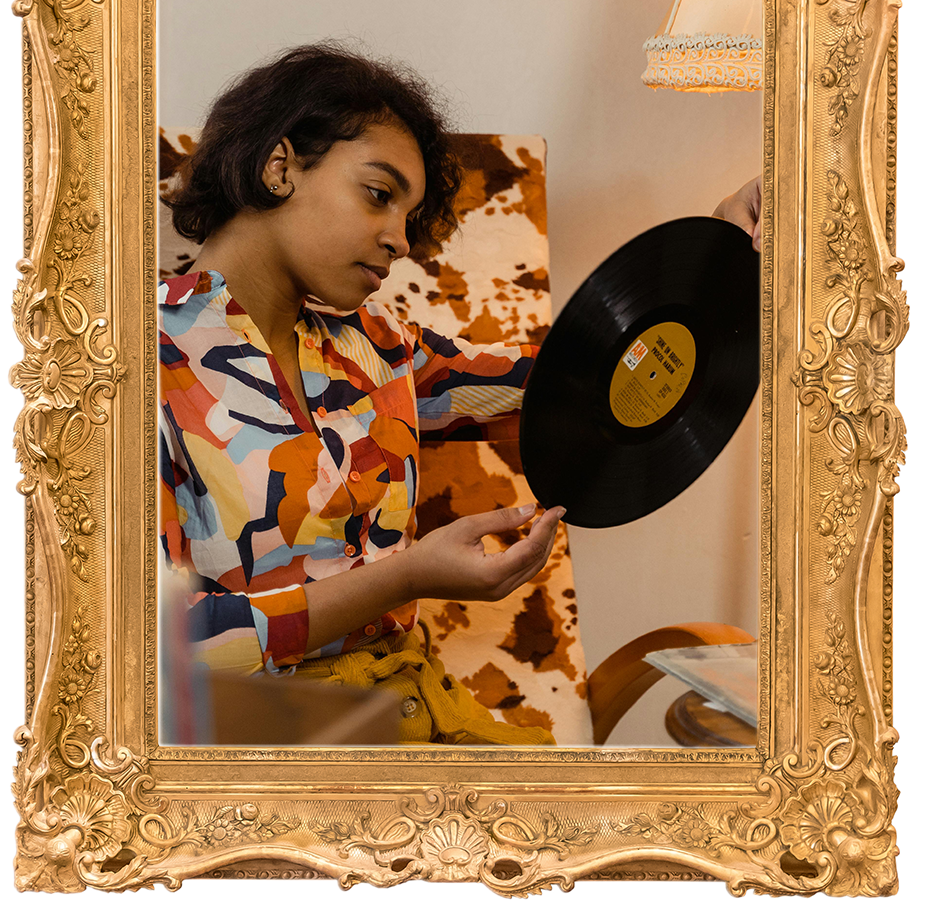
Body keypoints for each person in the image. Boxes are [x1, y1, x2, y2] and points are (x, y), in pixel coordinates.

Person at [159, 43, 761, 747]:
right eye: (378, 194)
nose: (400, 242)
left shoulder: (379, 346)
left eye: (409, 218)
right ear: (279, 166)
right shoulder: (127, 364)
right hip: (258, 749)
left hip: (420, 717)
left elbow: (578, 374)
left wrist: (720, 252)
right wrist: (403, 579)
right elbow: (154, 647)